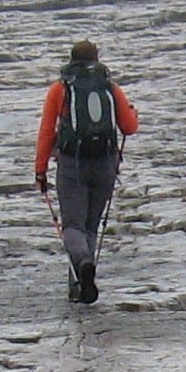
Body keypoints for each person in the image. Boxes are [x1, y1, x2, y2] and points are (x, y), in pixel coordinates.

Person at [33, 40, 139, 302]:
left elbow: (47, 132)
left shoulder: (60, 89)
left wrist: (40, 170)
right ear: (96, 58)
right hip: (106, 163)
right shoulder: (109, 87)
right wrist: (133, 113)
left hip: (72, 164)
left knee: (72, 226)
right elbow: (129, 127)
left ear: (71, 60)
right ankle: (80, 285)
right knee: (90, 226)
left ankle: (82, 267)